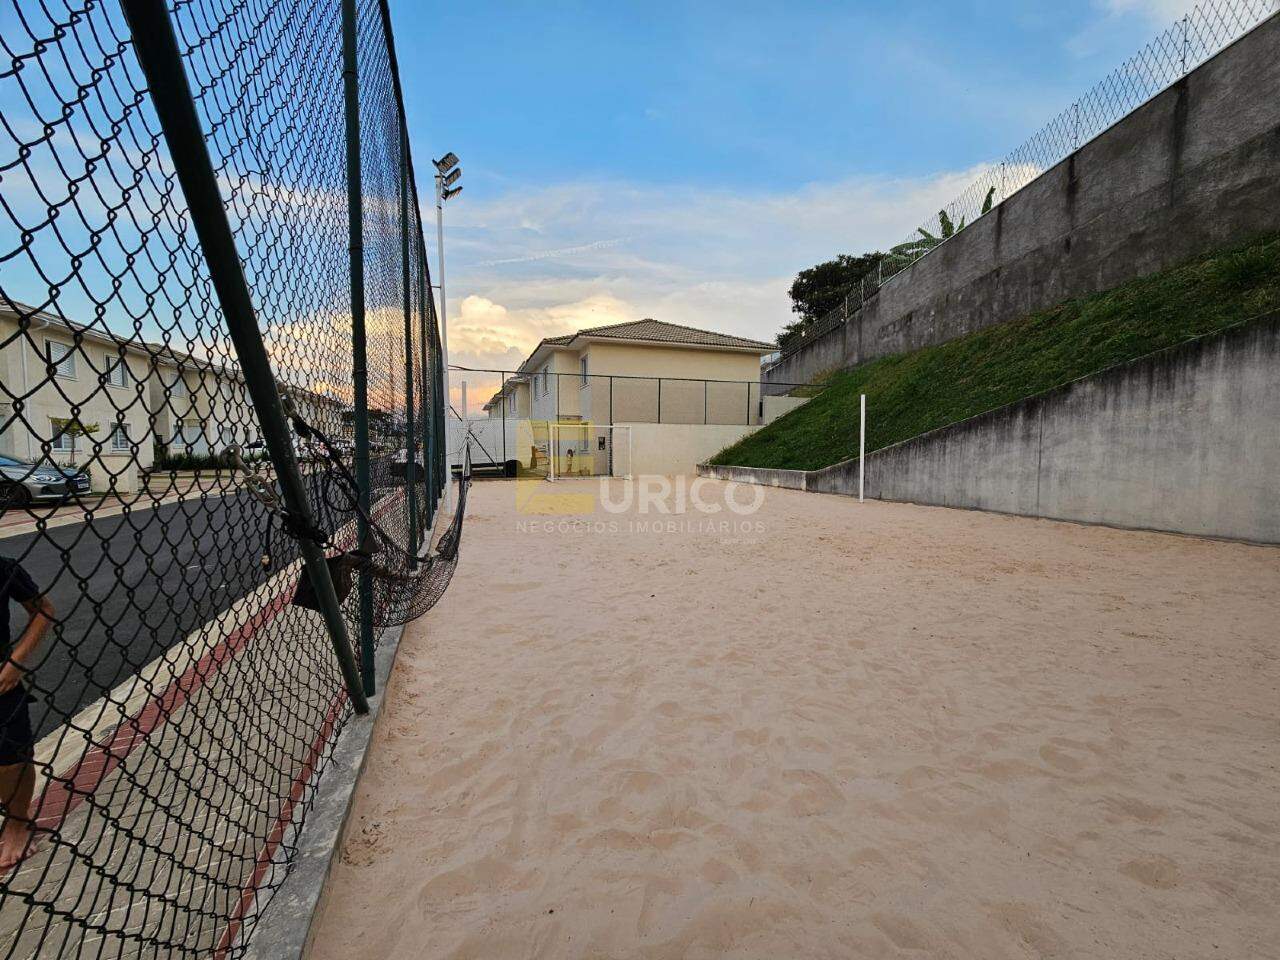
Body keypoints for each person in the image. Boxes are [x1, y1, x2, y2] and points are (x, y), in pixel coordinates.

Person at [0, 556, 53, 871]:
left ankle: (18, 822)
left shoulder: (3, 568)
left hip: (2, 683)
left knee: (13, 759)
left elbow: (43, 609)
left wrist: (15, 664)